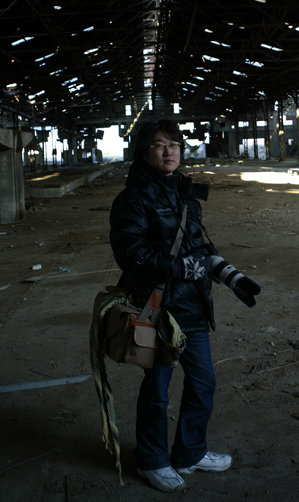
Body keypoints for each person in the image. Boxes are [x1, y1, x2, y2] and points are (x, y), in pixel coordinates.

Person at [109, 119, 232, 493]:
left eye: (175, 144)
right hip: (157, 308)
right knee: (157, 389)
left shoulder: (185, 194)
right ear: (144, 152)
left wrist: (223, 270)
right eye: (160, 145)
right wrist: (180, 267)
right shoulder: (132, 200)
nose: (169, 151)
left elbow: (197, 246)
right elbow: (131, 255)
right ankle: (151, 459)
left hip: (192, 305)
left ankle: (190, 452)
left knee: (203, 382)